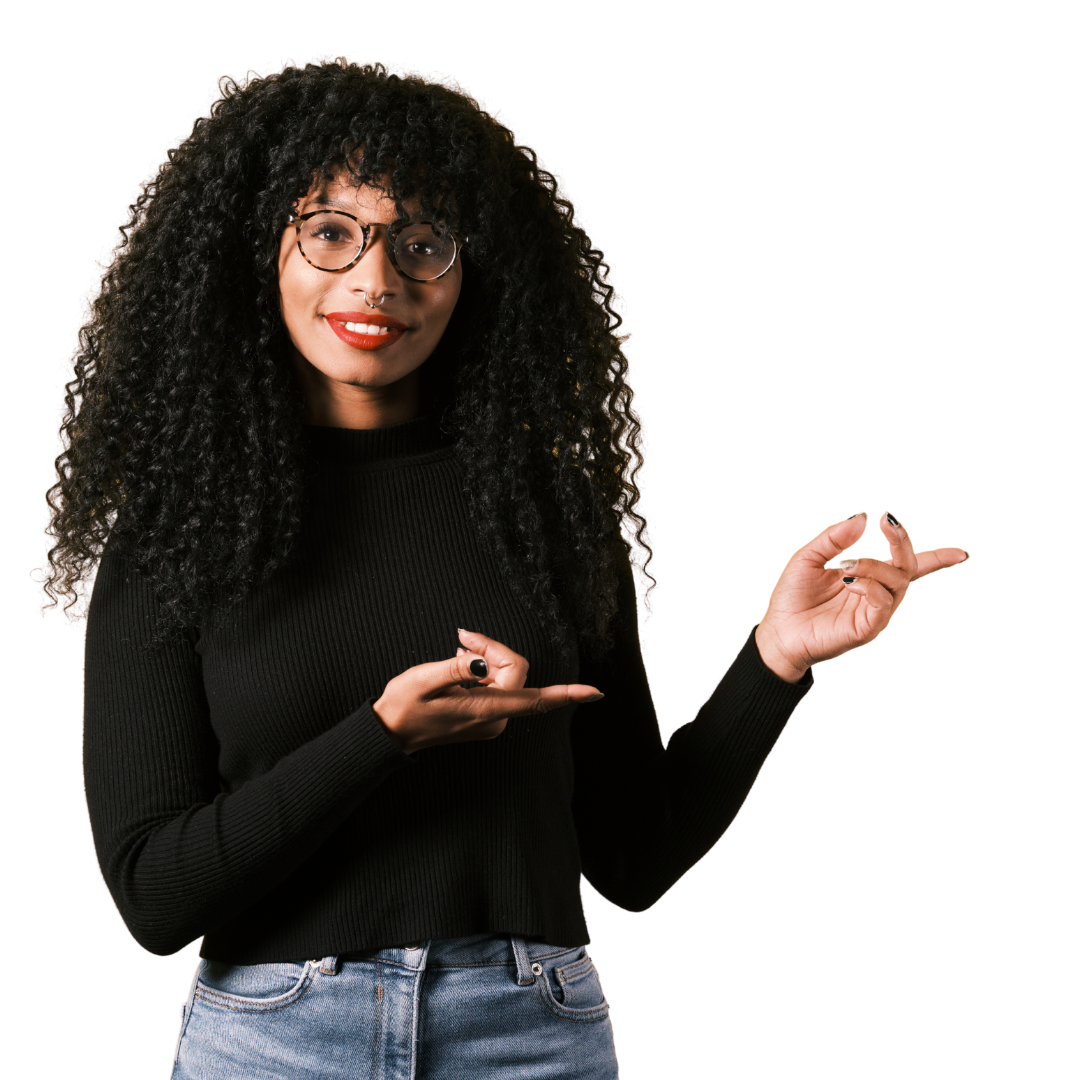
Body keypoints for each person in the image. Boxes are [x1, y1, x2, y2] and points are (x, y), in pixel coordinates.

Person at [35, 53, 969, 1079]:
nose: (376, 280)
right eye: (332, 232)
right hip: (274, 1040)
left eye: (422, 242)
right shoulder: (176, 535)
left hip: (529, 1033)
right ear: (259, 247)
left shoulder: (540, 514)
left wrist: (776, 656)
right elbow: (153, 899)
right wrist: (383, 737)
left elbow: (635, 855)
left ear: (473, 272)